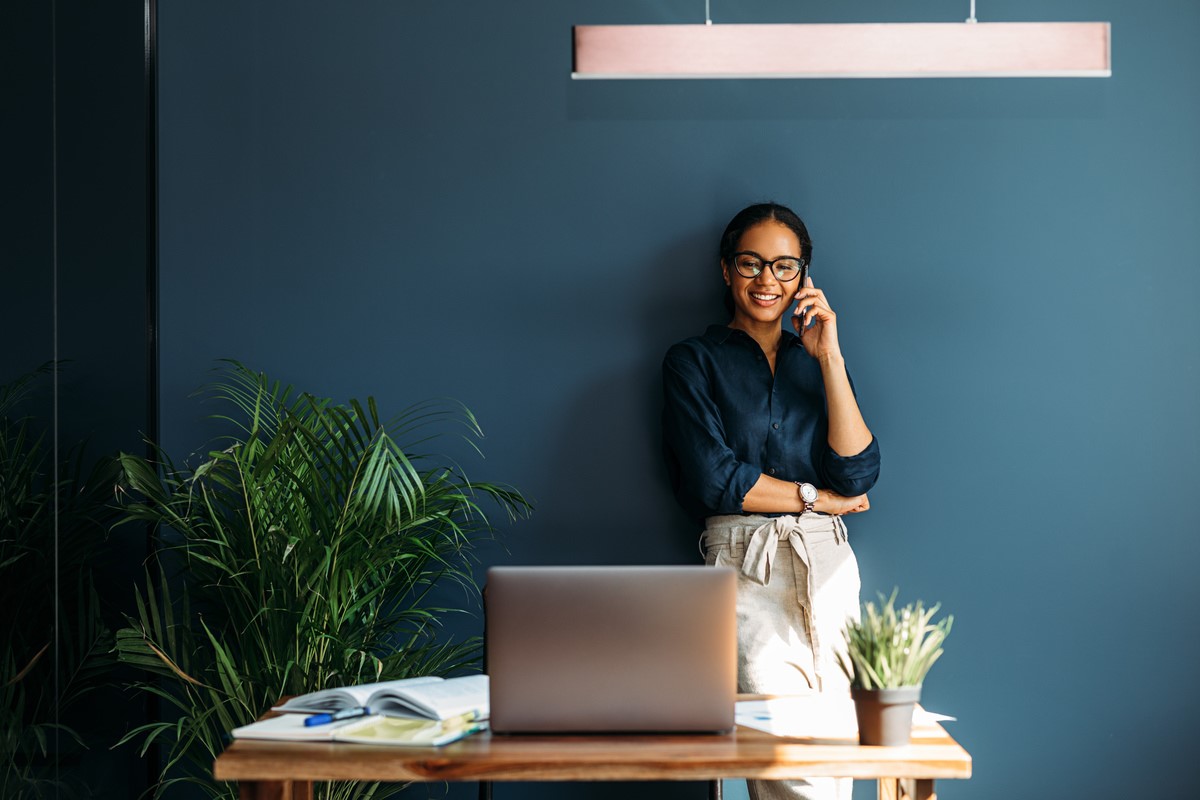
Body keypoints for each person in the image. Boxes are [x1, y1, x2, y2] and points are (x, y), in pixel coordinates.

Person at [661, 203, 880, 800]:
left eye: (785, 267)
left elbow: (857, 471)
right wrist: (819, 499)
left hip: (828, 565)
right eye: (752, 263)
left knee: (835, 756)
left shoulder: (818, 362)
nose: (767, 280)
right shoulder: (693, 361)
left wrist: (829, 356)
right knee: (784, 759)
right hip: (747, 560)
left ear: (804, 276)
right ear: (726, 270)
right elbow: (714, 478)